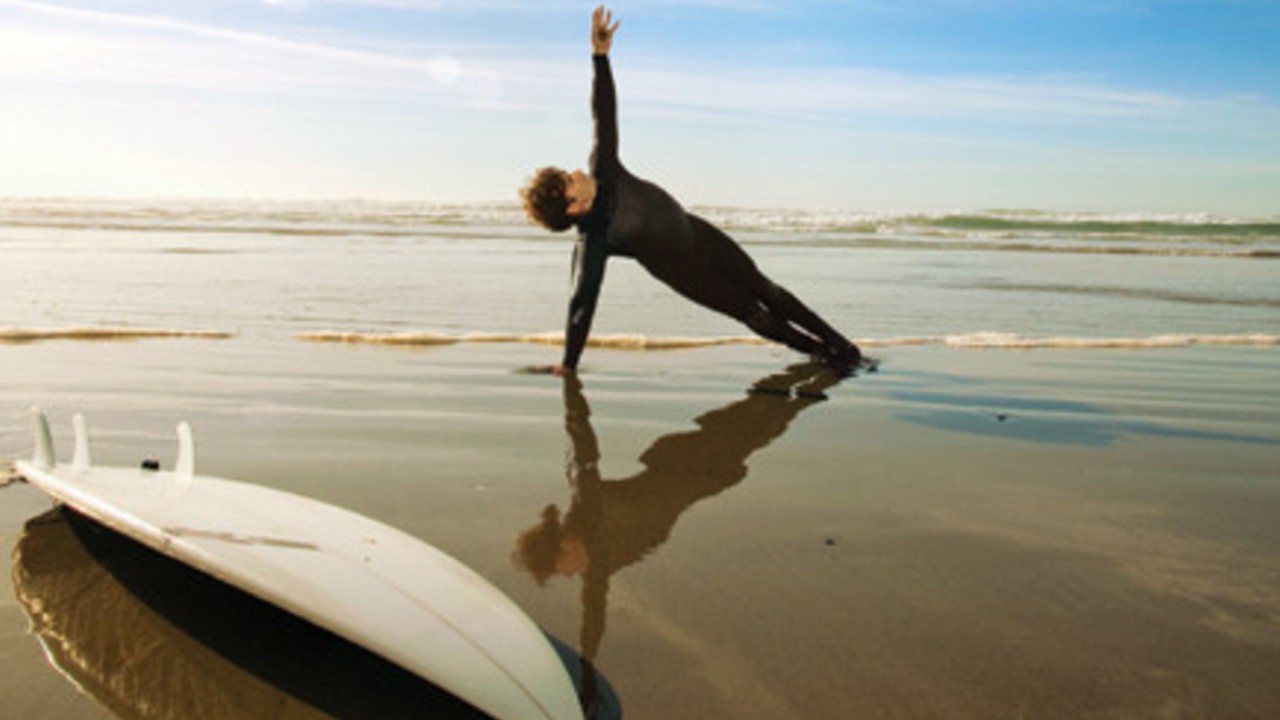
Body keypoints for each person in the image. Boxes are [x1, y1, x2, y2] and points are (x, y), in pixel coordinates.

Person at [520, 6, 861, 375]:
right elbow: (581, 304)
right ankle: (822, 355)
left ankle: (843, 346)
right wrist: (569, 364)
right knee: (752, 313)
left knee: (767, 289)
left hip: (700, 233)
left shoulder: (603, 167)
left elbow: (603, 112)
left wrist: (600, 57)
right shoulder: (595, 241)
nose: (575, 172)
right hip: (688, 274)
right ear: (571, 207)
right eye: (569, 181)